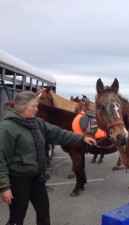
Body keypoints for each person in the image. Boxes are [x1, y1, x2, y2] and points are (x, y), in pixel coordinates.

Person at [0, 91, 97, 225]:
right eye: (33, 106)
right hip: (18, 180)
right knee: (17, 217)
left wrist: (82, 138)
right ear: (21, 107)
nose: (37, 109)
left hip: (37, 177)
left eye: (37, 106)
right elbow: (1, 160)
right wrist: (5, 187)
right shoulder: (7, 128)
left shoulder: (37, 123)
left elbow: (59, 133)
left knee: (44, 211)